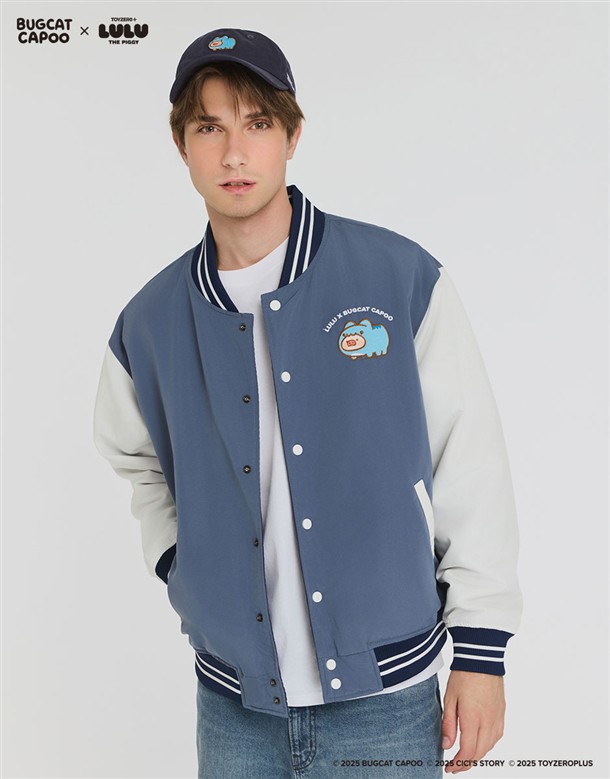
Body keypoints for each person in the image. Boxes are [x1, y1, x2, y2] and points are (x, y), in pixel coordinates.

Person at [93, 28, 522, 778]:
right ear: (181, 145)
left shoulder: (398, 277)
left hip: (385, 700)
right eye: (210, 128)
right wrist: (182, 563)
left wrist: (482, 651)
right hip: (234, 707)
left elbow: (470, 460)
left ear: (292, 135)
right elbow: (135, 458)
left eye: (257, 123)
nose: (234, 153)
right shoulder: (148, 322)